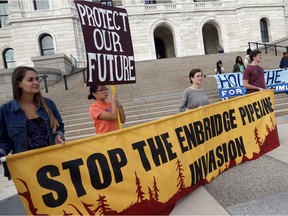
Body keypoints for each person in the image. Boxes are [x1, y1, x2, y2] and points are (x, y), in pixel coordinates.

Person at [0, 66, 65, 179]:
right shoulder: (6, 110)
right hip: (25, 168)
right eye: (30, 80)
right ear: (19, 83)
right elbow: (4, 140)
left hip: (52, 163)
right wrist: (1, 152)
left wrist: (58, 135)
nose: (36, 82)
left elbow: (59, 126)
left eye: (37, 79)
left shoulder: (48, 104)